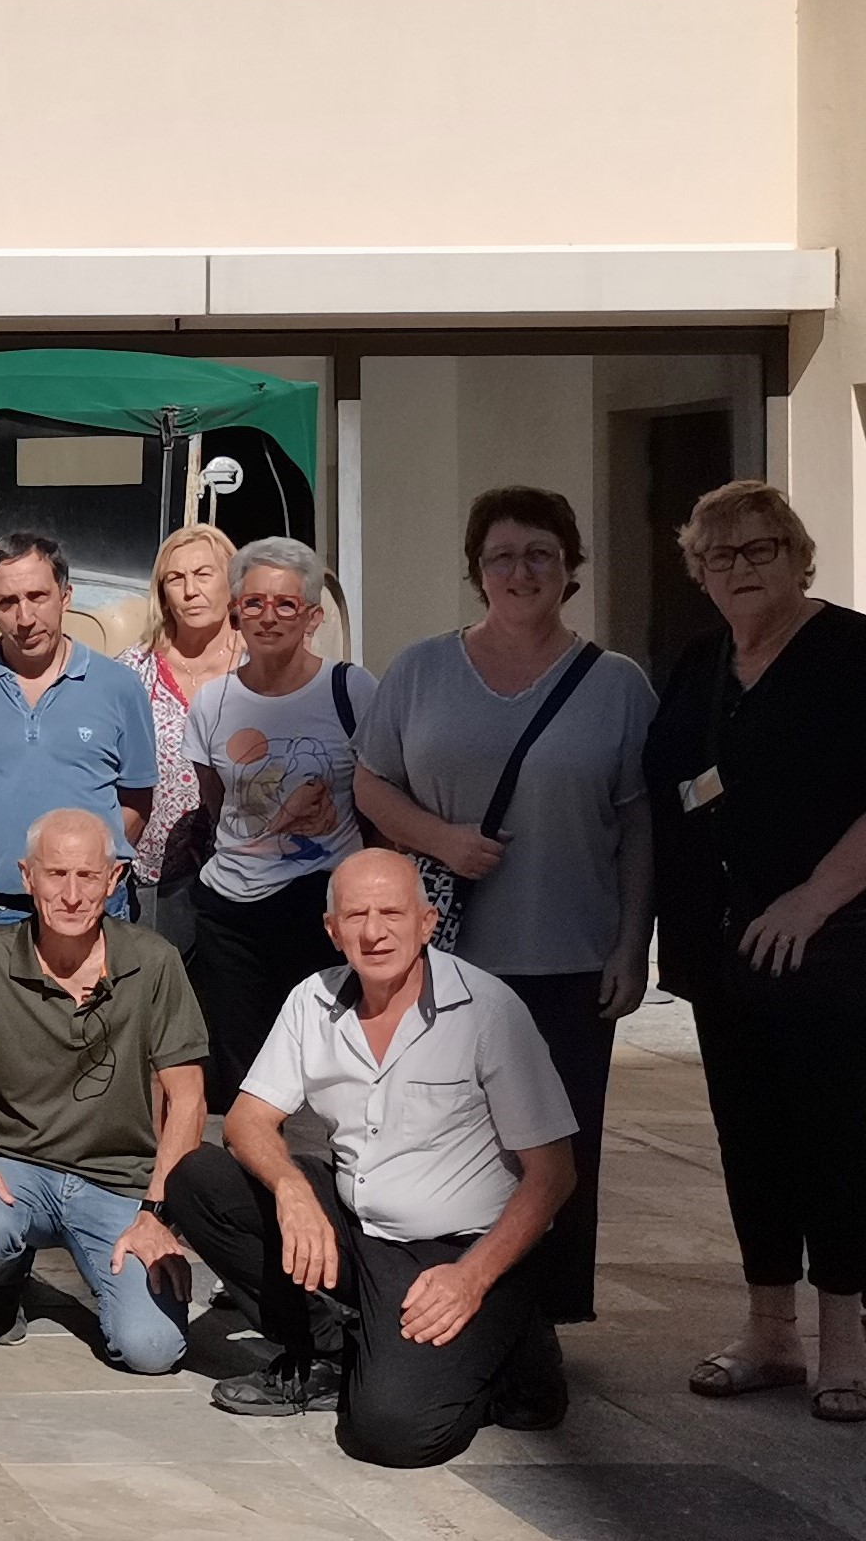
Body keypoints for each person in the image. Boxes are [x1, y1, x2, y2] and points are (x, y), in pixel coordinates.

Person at [647, 479, 866, 1425]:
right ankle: (769, 1332)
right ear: (698, 572)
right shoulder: (698, 662)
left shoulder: (856, 652)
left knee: (842, 1141)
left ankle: (845, 1345)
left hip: (840, 950)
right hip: (725, 951)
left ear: (799, 556)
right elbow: (673, 792)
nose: (742, 567)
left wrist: (814, 897)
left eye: (762, 548)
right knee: (752, 1142)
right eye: (722, 554)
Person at [162, 851, 577, 1465]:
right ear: (331, 929)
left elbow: (554, 1175)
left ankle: (514, 1348)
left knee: (391, 1433)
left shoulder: (489, 1012)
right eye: (356, 915)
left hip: (459, 1250)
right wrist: (293, 1191)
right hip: (358, 1226)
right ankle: (331, 1351)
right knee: (197, 1178)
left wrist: (471, 1278)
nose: (375, 932)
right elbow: (248, 1120)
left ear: (427, 922)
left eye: (392, 913)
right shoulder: (313, 999)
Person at [353, 487, 656, 1324]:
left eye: (540, 555)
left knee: (556, 1147)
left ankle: (542, 1323)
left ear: (570, 570)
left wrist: (633, 944)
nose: (520, 571)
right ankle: (443, 1300)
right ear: (476, 571)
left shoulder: (617, 684)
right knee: (441, 1137)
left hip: (567, 954)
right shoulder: (420, 669)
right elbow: (369, 780)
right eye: (502, 556)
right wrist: (440, 839)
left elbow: (638, 823)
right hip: (445, 956)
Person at [0, 807, 204, 1368]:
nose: (72, 895)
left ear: (114, 879)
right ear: (27, 878)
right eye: (56, 875)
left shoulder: (155, 963)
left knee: (153, 1351)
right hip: (16, 1170)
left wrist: (158, 1209)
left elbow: (189, 1097)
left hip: (118, 1181)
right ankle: (0, 1279)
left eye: (87, 875)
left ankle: (106, 1279)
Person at [176, 538, 372, 1103]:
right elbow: (218, 805)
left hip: (320, 908)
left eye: (286, 605)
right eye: (254, 602)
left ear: (312, 617)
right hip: (231, 915)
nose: (269, 617)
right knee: (245, 1075)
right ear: (236, 610)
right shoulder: (212, 703)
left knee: (332, 1069)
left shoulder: (351, 690)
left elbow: (375, 798)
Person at [0, 532, 155, 935]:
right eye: (7, 603)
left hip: (95, 913)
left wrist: (89, 874)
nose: (25, 618)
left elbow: (136, 798)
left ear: (65, 596)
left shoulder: (119, 687)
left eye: (37, 596)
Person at [125, 523, 241, 951]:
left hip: (251, 874)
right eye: (176, 578)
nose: (190, 590)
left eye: (204, 574)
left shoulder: (263, 665)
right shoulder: (133, 672)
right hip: (155, 880)